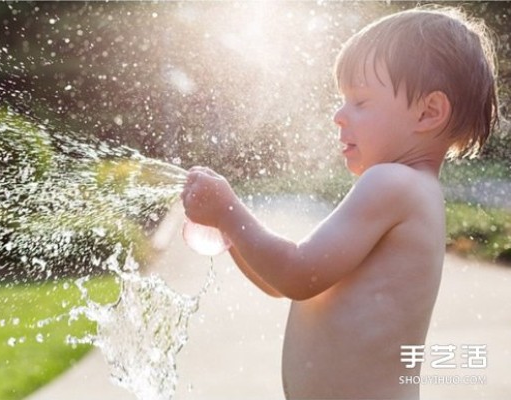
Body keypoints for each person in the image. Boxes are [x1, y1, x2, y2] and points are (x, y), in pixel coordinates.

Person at [181, 6, 498, 400]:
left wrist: (228, 211)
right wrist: (228, 228)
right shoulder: (408, 190)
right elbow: (282, 284)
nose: (338, 115)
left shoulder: (392, 183)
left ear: (428, 112)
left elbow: (296, 273)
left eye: (360, 102)